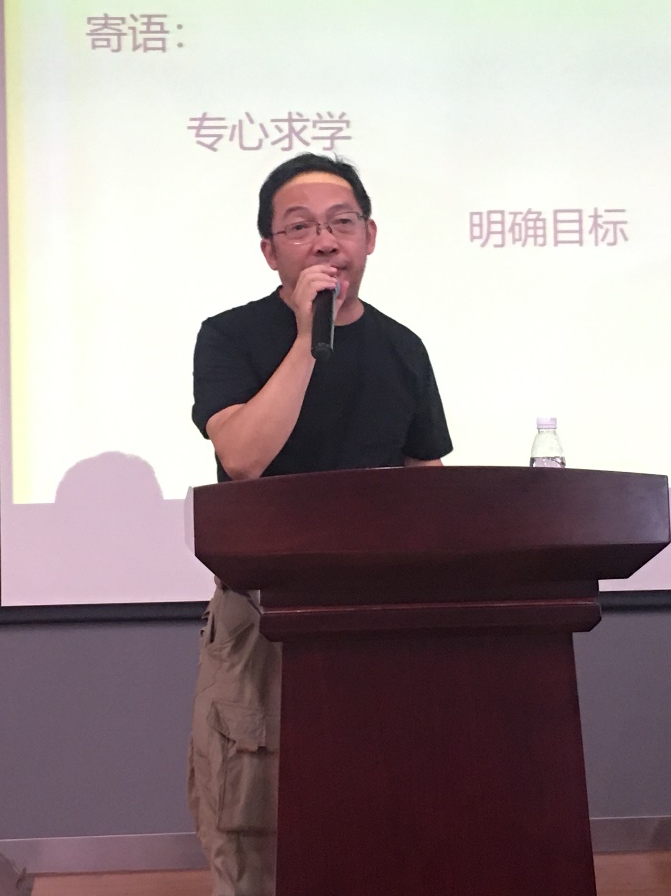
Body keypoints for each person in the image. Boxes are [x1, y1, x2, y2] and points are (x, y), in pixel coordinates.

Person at [186, 153, 453, 896]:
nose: (325, 241)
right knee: (255, 825)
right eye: (300, 228)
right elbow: (243, 458)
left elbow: (427, 487)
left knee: (382, 819)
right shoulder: (230, 336)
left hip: (381, 620)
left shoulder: (402, 348)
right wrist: (309, 339)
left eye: (341, 223)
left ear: (370, 237)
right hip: (262, 619)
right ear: (270, 251)